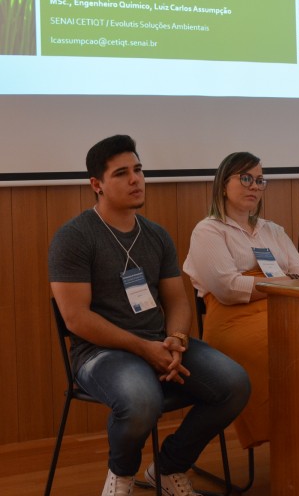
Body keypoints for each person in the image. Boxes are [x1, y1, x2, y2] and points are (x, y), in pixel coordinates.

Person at [48, 135, 250, 496]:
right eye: (121, 173)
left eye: (138, 170)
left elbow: (178, 301)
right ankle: (121, 479)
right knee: (143, 400)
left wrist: (176, 339)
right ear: (97, 185)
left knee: (234, 384)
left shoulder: (156, 235)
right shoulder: (75, 237)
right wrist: (143, 348)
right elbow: (76, 318)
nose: (135, 179)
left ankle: (168, 468)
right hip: (99, 353)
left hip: (161, 344)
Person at [183, 152, 299, 450]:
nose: (254, 186)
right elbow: (228, 288)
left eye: (259, 180)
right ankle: (291, 439)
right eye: (245, 178)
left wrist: (269, 284)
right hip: (232, 320)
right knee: (290, 349)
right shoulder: (209, 230)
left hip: (283, 310)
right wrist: (281, 282)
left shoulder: (273, 230)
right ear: (223, 184)